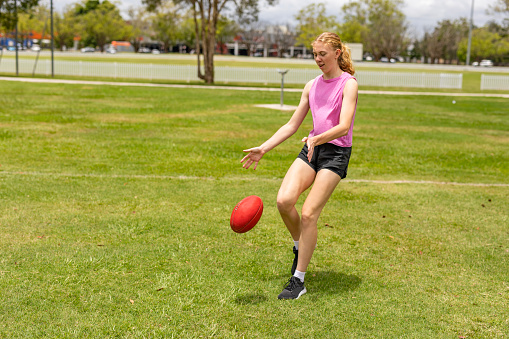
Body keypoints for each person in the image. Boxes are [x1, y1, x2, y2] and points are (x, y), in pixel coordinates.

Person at [240, 32, 359, 300]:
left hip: (336, 153)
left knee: (308, 214)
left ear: (337, 53)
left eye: (322, 54)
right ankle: (299, 245)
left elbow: (343, 125)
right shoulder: (311, 86)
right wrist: (264, 147)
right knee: (284, 201)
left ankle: (299, 280)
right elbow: (292, 125)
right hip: (312, 148)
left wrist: (318, 137)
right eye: (315, 54)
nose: (317, 59)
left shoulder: (348, 84)